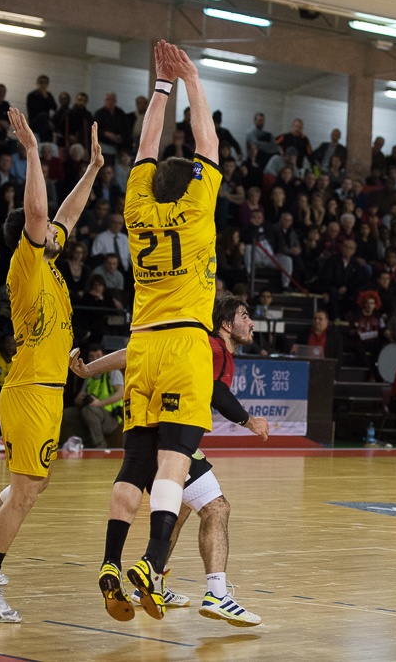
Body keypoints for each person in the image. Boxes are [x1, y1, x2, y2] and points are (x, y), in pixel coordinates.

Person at [0, 108, 101, 623]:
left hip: (45, 387)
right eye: (49, 230)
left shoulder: (52, 264)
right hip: (33, 390)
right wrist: (34, 152)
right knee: (25, 494)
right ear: (32, 237)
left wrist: (93, 169)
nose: (60, 231)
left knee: (33, 485)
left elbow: (66, 215)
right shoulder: (28, 261)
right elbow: (39, 214)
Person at [112, 41, 221, 621]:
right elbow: (208, 143)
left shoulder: (136, 209)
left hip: (141, 344)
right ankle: (152, 562)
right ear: (191, 183)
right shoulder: (198, 209)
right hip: (183, 343)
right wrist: (192, 81)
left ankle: (113, 560)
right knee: (175, 458)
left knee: (137, 460)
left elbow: (145, 148)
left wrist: (160, 87)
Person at [81, 294, 268, 625]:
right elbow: (215, 391)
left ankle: (151, 580)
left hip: (146, 428)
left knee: (178, 508)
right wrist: (248, 420)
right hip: (170, 439)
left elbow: (132, 352)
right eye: (244, 315)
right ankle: (216, 593)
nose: (251, 322)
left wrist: (88, 369)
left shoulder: (176, 339)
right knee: (217, 508)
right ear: (226, 324)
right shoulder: (214, 348)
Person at [66, 344, 124, 448]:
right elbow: (77, 401)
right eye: (91, 357)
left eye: (98, 356)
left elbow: (121, 392)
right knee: (68, 414)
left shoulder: (112, 372)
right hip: (93, 413)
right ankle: (79, 444)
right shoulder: (88, 375)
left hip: (111, 417)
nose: (94, 359)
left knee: (88, 410)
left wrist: (99, 403)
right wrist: (83, 399)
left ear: (104, 356)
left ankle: (100, 446)